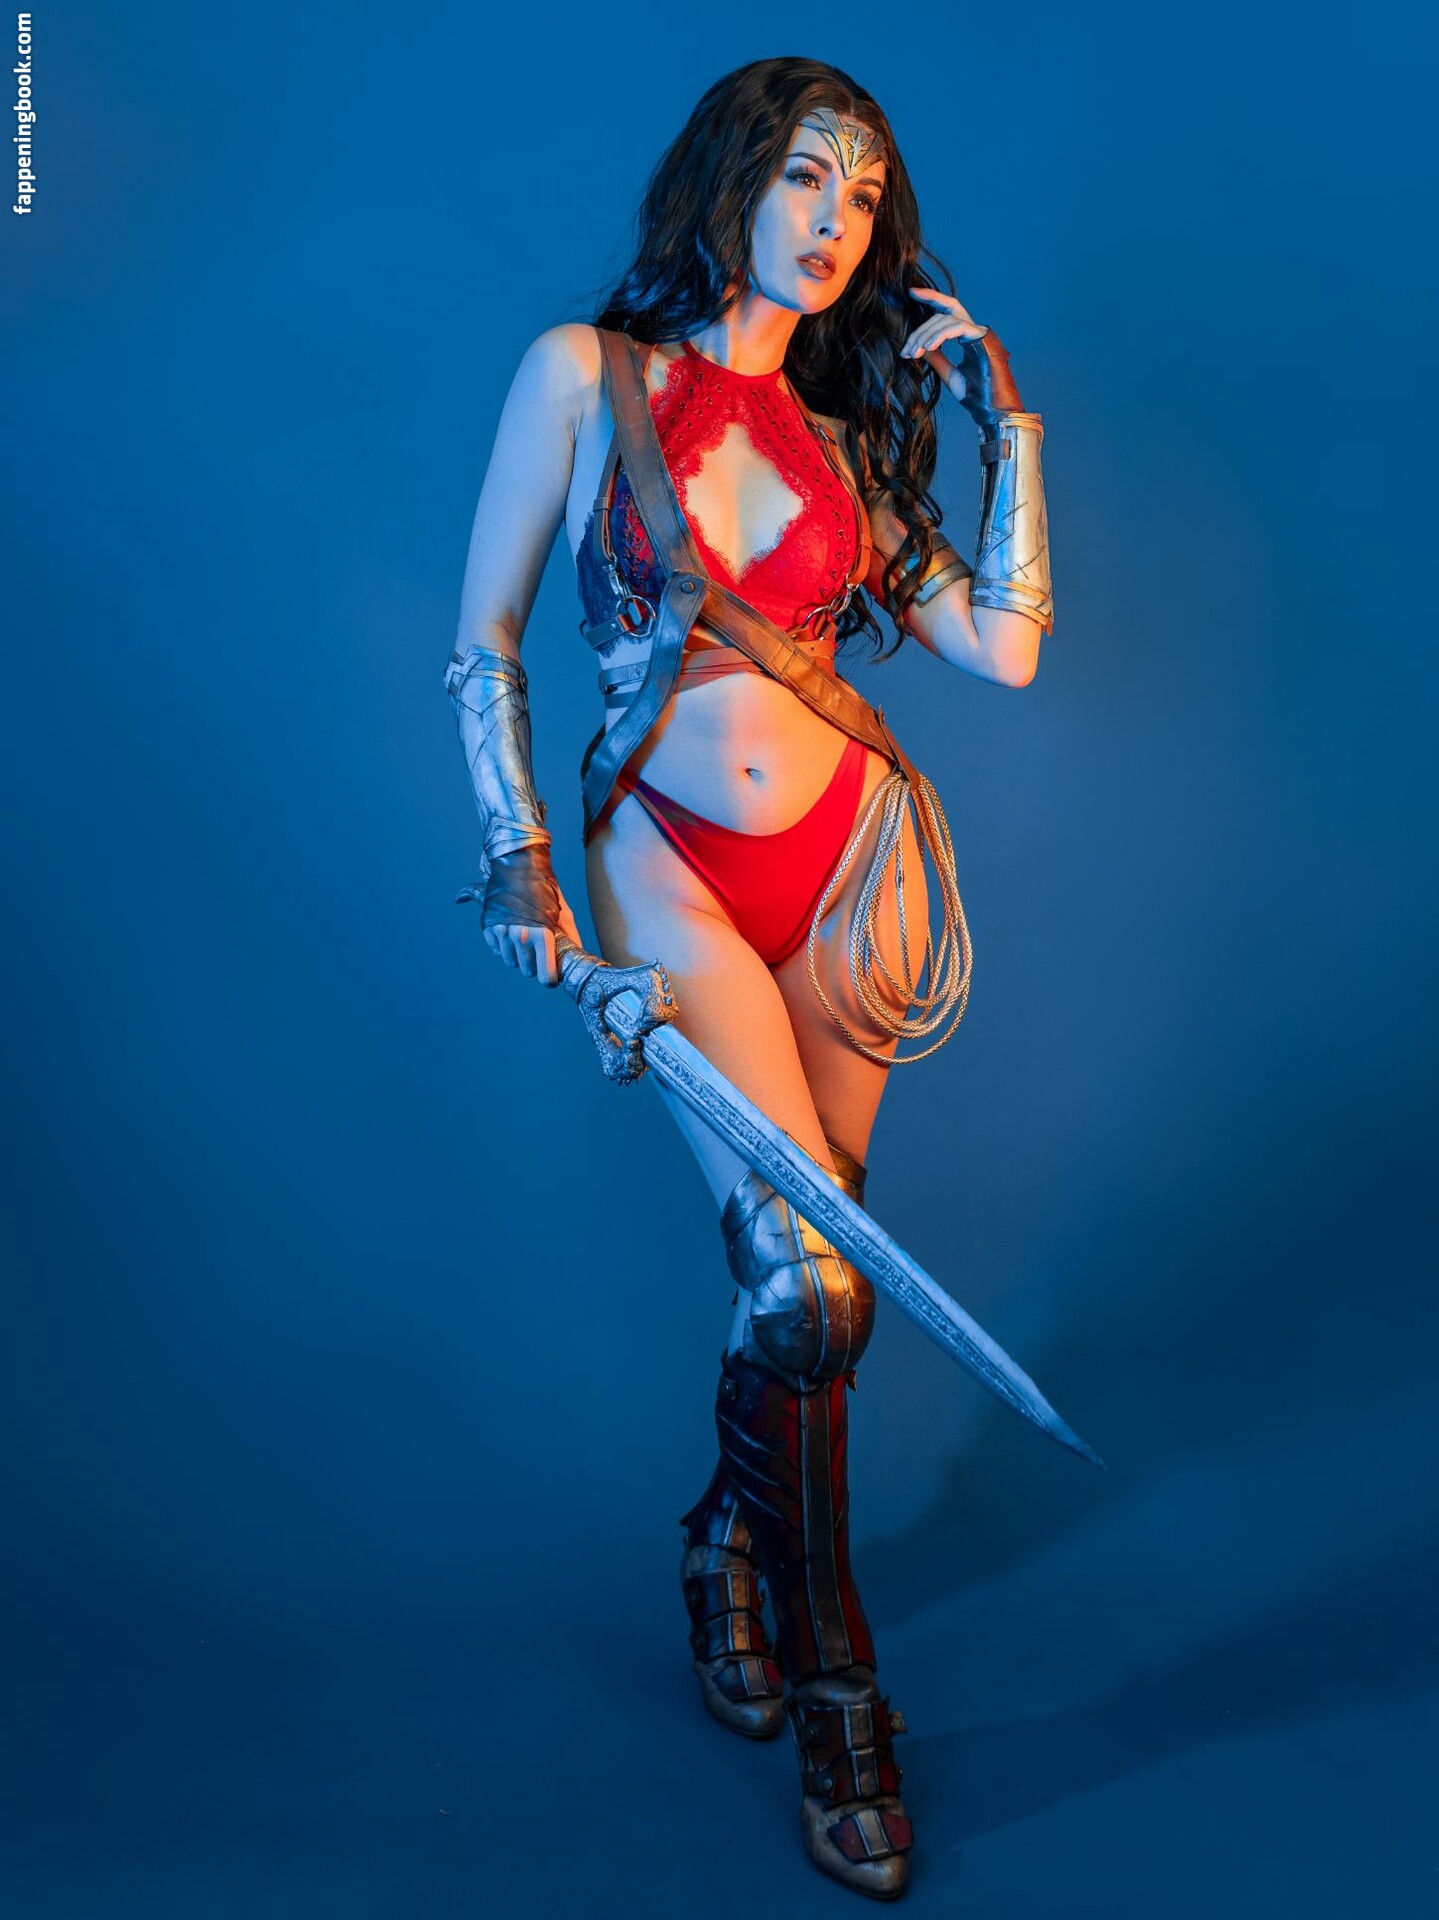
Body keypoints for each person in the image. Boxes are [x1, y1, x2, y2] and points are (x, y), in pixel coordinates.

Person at [444, 55, 1054, 1903]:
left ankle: (728, 1541)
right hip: (669, 865)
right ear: (731, 179)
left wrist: (1011, 431)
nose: (834, 220)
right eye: (806, 175)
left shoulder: (852, 456)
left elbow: (1006, 650)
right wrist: (518, 858)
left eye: (864, 198)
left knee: (810, 1303)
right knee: (808, 1284)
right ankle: (842, 1693)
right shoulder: (585, 376)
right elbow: (483, 639)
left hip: (854, 875)